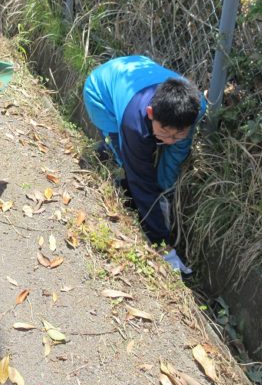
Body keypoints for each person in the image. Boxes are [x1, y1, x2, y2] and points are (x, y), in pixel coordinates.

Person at [83, 56, 206, 274]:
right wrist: (161, 242)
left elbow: (176, 150)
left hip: (135, 72)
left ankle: (158, 199)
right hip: (101, 92)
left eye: (179, 133)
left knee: (175, 152)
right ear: (151, 113)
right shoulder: (134, 124)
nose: (168, 140)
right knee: (127, 159)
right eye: (164, 133)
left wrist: (163, 191)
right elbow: (142, 179)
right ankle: (105, 154)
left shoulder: (196, 106)